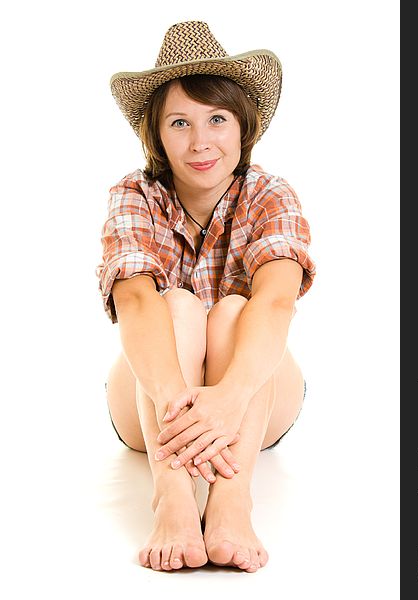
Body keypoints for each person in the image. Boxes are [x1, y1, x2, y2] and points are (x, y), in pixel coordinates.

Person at [96, 20, 316, 573]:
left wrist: (231, 395)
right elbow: (137, 304)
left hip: (256, 399)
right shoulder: (135, 195)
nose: (200, 142)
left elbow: (276, 302)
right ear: (157, 134)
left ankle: (230, 500)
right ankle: (171, 496)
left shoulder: (269, 194)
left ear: (241, 126)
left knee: (236, 311)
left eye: (217, 118)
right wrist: (179, 402)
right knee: (178, 306)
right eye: (180, 123)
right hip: (152, 400)